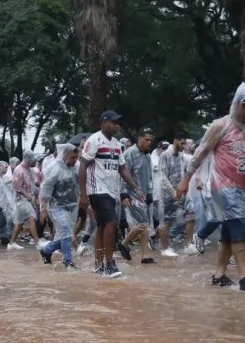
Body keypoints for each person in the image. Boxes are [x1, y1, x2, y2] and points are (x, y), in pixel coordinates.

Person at [176, 82, 245, 292]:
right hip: (222, 185)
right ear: (236, 105)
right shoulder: (221, 125)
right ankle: (244, 274)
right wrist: (186, 178)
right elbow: (200, 153)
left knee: (228, 231)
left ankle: (219, 275)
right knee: (239, 224)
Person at [77, 109, 145, 278]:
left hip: (111, 190)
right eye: (114, 123)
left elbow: (122, 169)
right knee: (112, 223)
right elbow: (83, 166)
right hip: (96, 189)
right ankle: (109, 263)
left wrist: (135, 188)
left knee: (101, 226)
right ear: (103, 123)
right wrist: (83, 194)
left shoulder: (116, 144)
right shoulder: (94, 140)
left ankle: (98, 265)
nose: (117, 126)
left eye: (118, 123)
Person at [39, 144, 80, 268]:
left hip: (72, 205)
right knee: (67, 233)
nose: (75, 160)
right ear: (65, 155)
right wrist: (43, 208)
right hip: (56, 206)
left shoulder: (74, 167)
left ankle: (46, 251)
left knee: (64, 234)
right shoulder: (54, 168)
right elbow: (45, 188)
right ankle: (68, 261)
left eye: (76, 157)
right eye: (73, 158)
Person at [157, 132, 197, 257]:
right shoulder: (165, 155)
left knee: (191, 215)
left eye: (185, 143)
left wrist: (185, 189)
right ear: (175, 141)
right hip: (168, 194)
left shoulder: (182, 157)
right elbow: (163, 176)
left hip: (181, 193)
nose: (183, 145)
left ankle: (188, 244)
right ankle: (164, 247)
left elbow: (186, 173)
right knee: (167, 220)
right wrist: (173, 190)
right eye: (182, 143)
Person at [120, 128, 155, 264]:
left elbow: (150, 177)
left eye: (151, 140)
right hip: (131, 194)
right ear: (139, 138)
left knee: (144, 225)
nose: (149, 142)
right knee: (143, 223)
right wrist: (123, 194)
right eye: (146, 139)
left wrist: (150, 192)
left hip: (144, 195)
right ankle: (124, 243)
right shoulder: (129, 154)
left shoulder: (147, 156)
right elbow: (124, 175)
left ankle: (145, 255)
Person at [9, 151, 43, 250]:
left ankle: (12, 243)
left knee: (20, 222)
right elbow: (16, 187)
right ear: (28, 159)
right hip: (21, 199)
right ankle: (37, 242)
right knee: (31, 217)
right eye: (33, 159)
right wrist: (27, 195)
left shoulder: (30, 170)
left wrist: (41, 186)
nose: (34, 161)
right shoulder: (18, 170)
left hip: (29, 199)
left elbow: (34, 182)